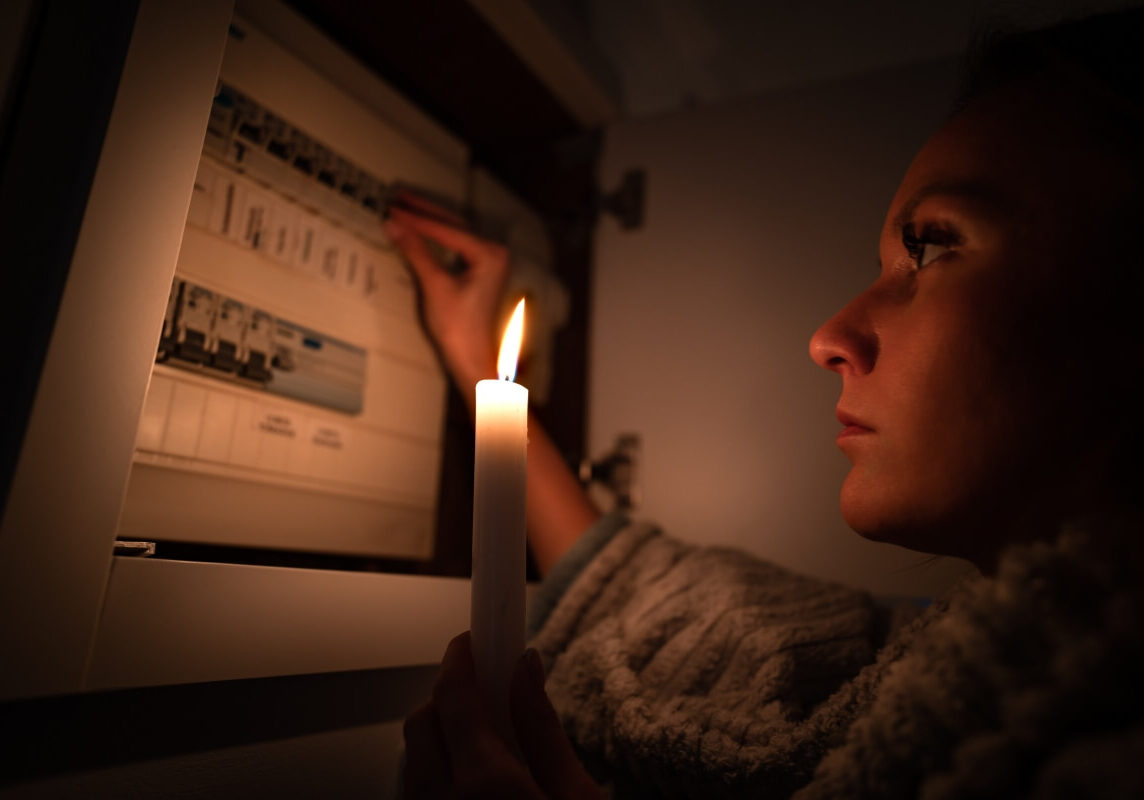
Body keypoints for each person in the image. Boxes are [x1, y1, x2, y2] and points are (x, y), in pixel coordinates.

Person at [392, 10, 1144, 799]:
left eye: (930, 247)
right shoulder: (944, 665)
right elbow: (660, 595)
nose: (828, 338)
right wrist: (478, 367)